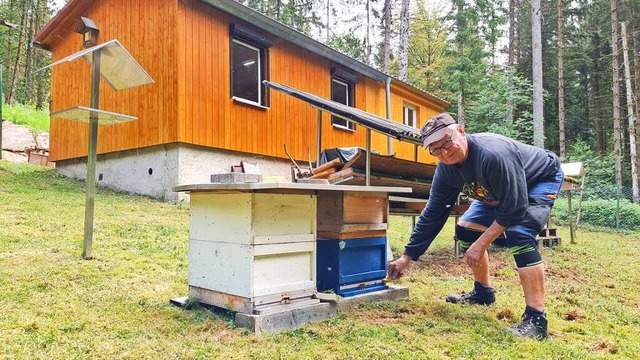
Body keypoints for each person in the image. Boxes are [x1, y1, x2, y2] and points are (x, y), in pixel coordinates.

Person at [388, 113, 563, 339]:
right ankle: (483, 293)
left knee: (519, 234)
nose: (444, 152)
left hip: (537, 179)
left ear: (460, 131)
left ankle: (536, 321)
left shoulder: (493, 154)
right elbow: (434, 211)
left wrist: (482, 243)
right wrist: (407, 256)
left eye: (447, 142)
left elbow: (516, 207)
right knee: (465, 230)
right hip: (499, 191)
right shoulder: (446, 168)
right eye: (435, 150)